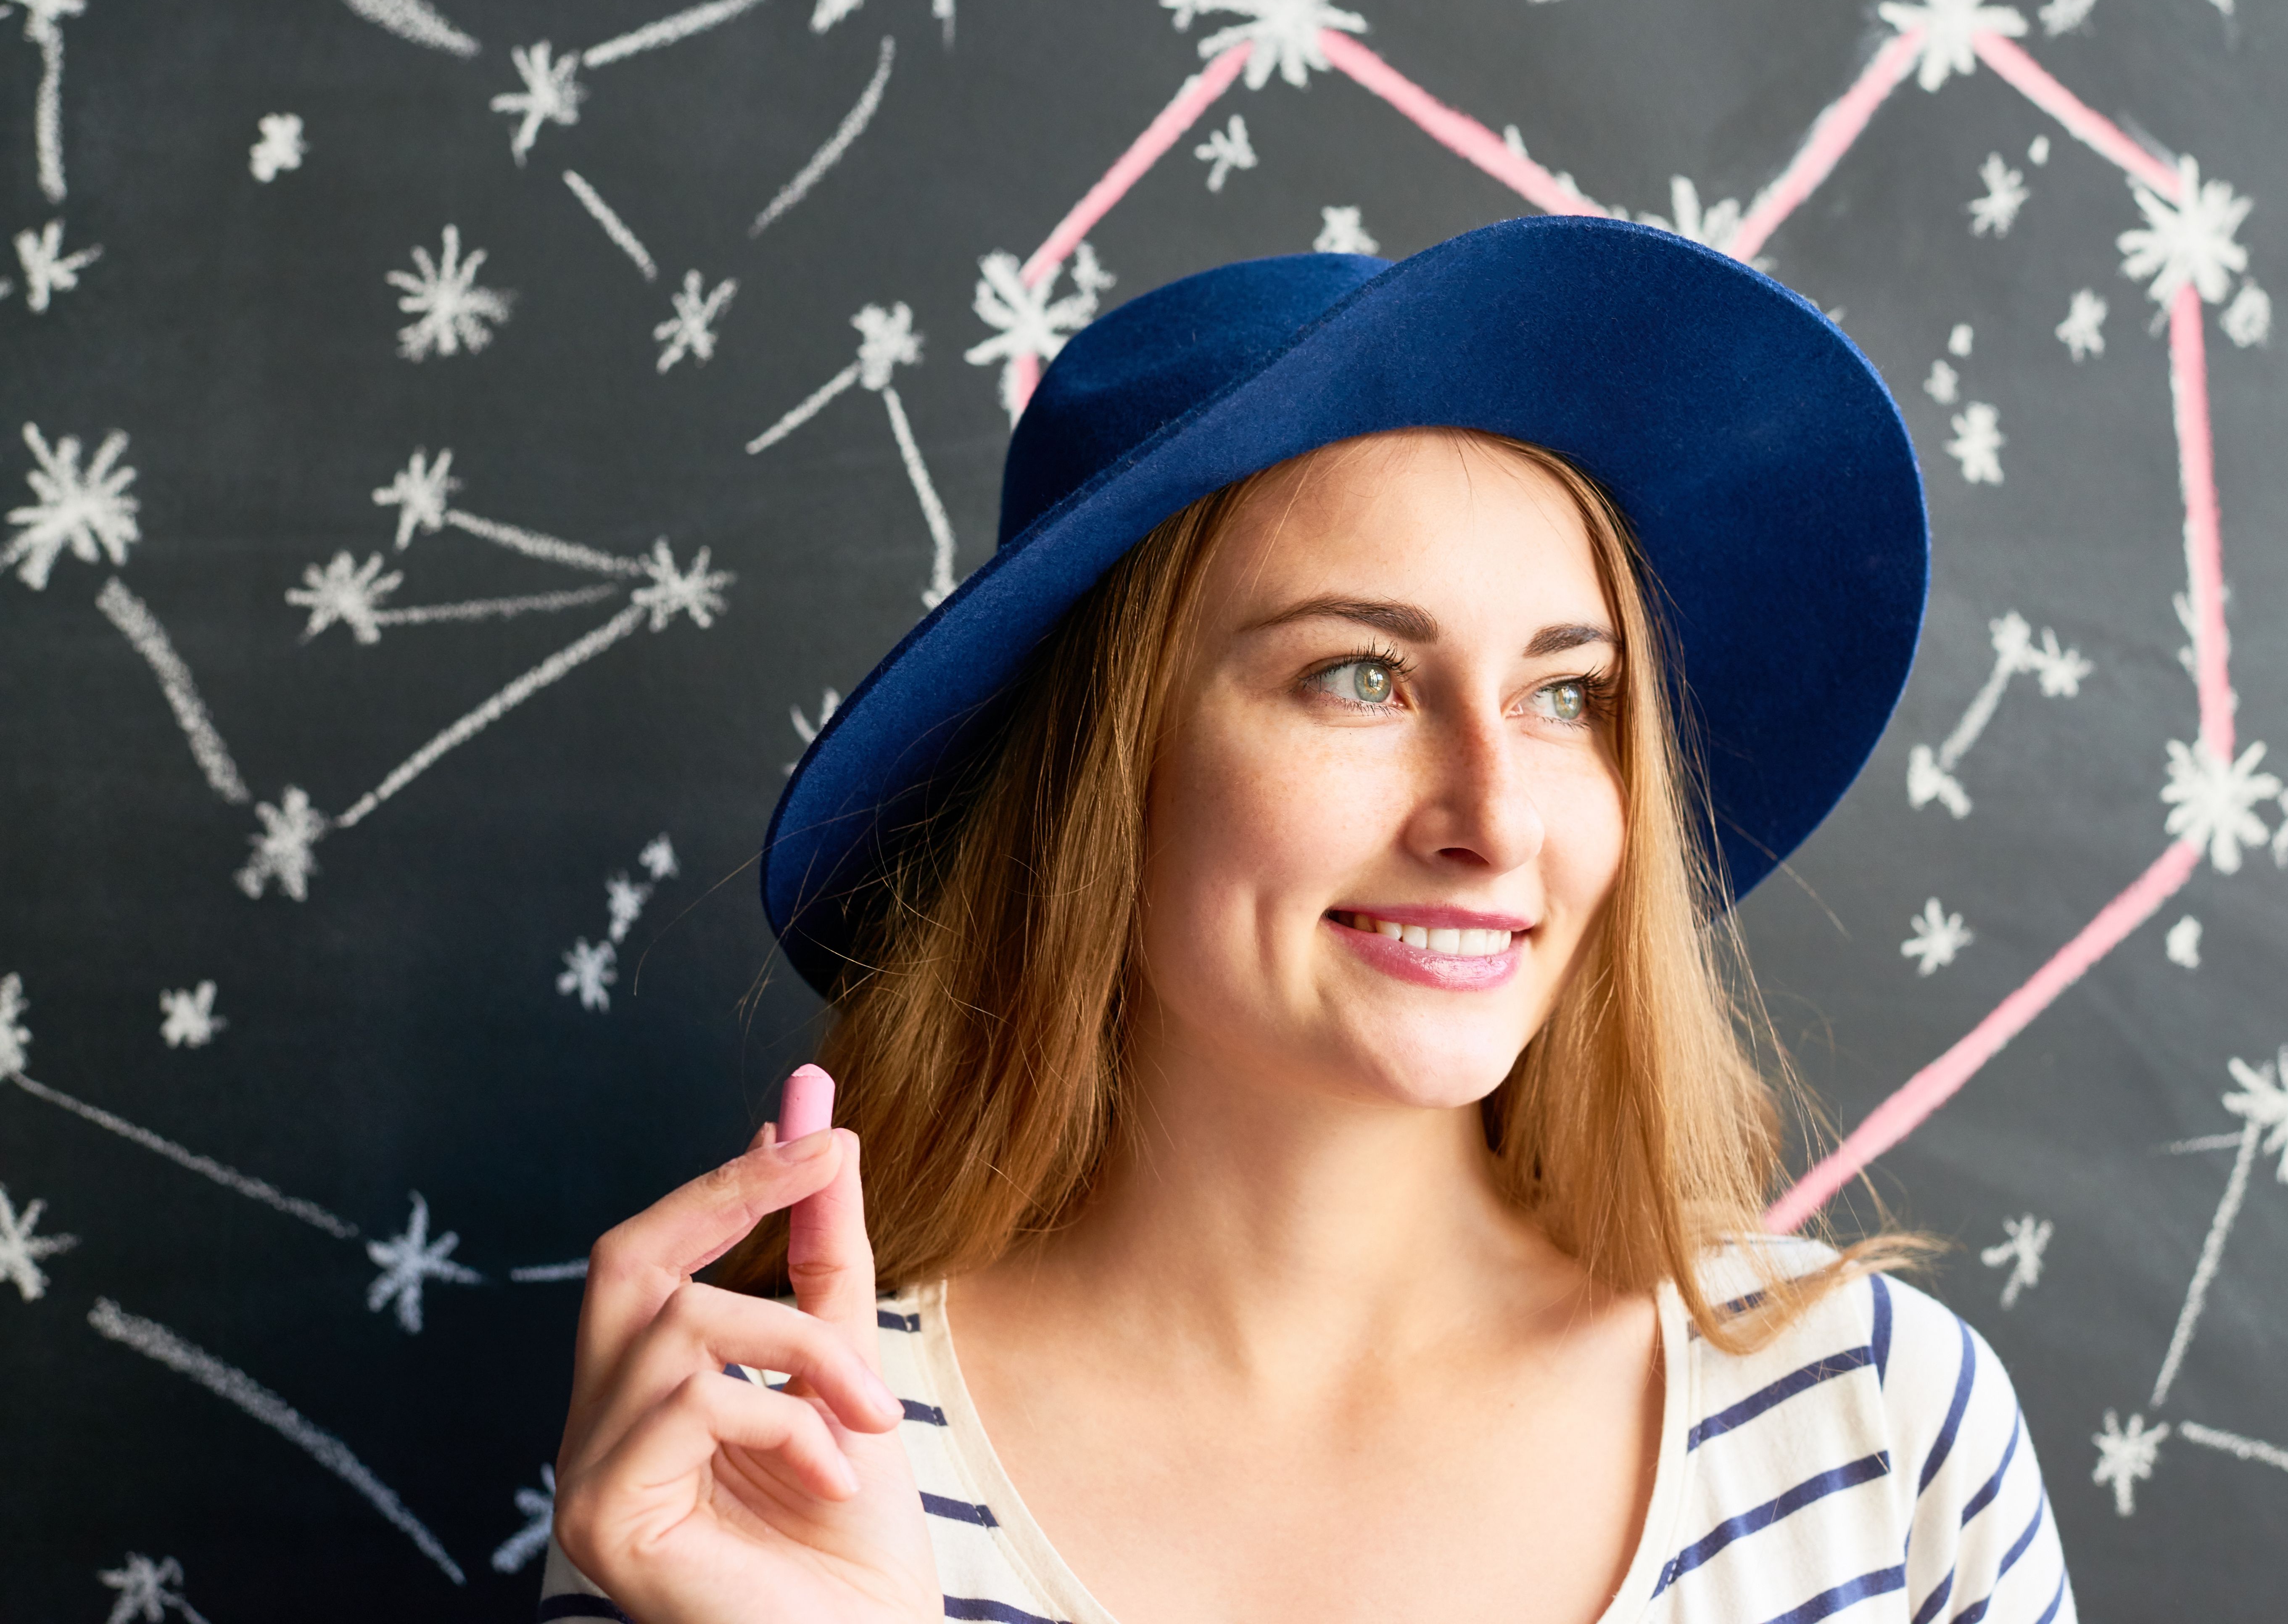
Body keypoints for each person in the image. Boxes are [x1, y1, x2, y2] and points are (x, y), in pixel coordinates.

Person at [541, 217, 2072, 1623]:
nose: (1494, 819)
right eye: (1360, 676)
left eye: (1565, 696)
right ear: (1101, 769)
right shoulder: (758, 1455)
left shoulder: (1873, 1429)